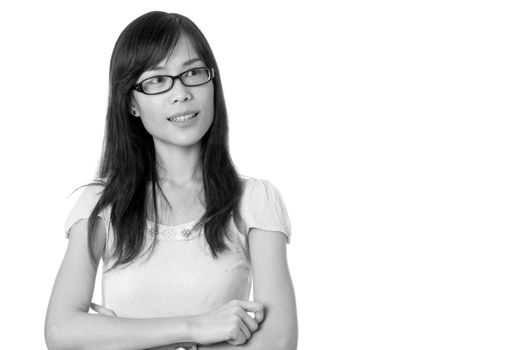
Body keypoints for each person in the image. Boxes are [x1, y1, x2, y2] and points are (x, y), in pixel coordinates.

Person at [44, 11, 297, 350]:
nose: (180, 93)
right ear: (131, 102)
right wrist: (196, 328)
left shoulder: (254, 200)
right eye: (157, 80)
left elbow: (278, 341)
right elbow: (60, 331)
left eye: (192, 73)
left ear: (212, 83)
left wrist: (122, 337)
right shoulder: (100, 205)